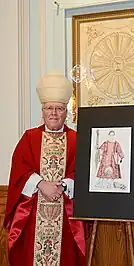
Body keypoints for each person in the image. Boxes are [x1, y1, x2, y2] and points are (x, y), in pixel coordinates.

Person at [4, 71, 86, 266]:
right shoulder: (29, 137)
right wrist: (40, 184)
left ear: (67, 112)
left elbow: (83, 170)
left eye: (59, 108)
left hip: (66, 215)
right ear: (42, 111)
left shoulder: (77, 139)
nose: (54, 113)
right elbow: (19, 169)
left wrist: (64, 185)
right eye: (49, 108)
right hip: (33, 214)